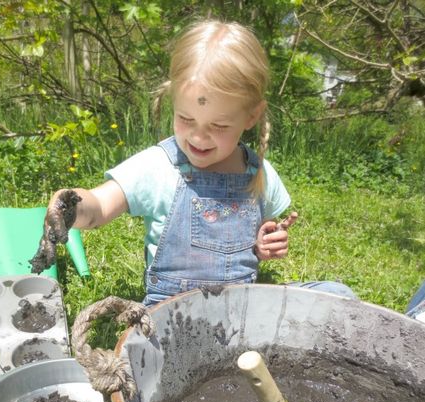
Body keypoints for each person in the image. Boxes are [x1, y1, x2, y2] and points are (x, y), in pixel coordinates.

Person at [31, 20, 353, 306]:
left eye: (218, 126)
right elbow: (100, 205)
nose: (198, 138)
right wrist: (69, 204)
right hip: (174, 317)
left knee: (339, 295)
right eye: (186, 119)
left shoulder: (259, 174)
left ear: (251, 116)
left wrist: (264, 244)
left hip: (240, 310)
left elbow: (250, 246)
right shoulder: (159, 168)